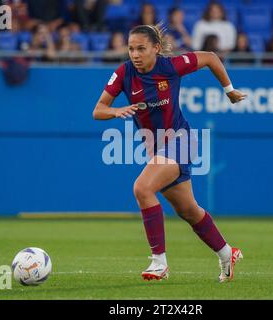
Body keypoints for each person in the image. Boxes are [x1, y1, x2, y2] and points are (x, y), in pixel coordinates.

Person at [92, 24, 246, 282]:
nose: (135, 54)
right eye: (131, 49)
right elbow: (98, 110)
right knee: (189, 211)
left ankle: (159, 263)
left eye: (141, 48)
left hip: (180, 141)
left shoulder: (170, 67)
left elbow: (210, 57)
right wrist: (116, 111)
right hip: (156, 147)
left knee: (142, 188)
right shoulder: (124, 73)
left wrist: (229, 90)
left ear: (155, 48)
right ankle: (226, 253)